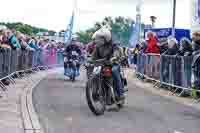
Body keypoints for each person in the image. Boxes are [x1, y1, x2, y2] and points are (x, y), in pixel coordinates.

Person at [92, 27, 125, 100]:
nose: (98, 40)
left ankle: (120, 93)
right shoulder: (98, 46)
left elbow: (116, 52)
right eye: (97, 38)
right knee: (94, 73)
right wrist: (89, 61)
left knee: (114, 71)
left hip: (114, 63)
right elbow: (93, 56)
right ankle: (95, 92)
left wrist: (114, 57)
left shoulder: (113, 44)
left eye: (100, 38)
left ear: (105, 38)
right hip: (103, 64)